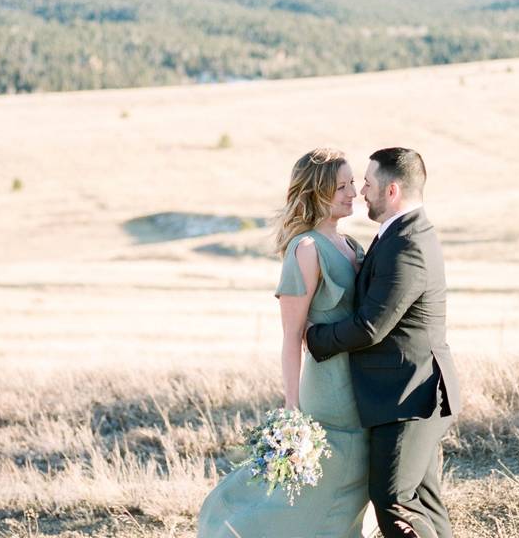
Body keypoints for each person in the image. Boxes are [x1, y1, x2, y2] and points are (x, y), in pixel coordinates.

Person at [197, 148, 372, 537]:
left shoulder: (352, 246)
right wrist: (292, 408)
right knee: (319, 489)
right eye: (340, 186)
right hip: (329, 391)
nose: (353, 192)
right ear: (316, 192)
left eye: (352, 183)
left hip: (361, 385)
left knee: (351, 487)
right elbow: (292, 337)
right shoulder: (306, 249)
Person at [306, 147, 461, 538]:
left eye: (368, 183)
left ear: (391, 191)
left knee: (393, 499)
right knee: (423, 501)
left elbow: (372, 326)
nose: (361, 191)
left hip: (412, 395)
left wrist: (315, 337)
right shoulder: (398, 233)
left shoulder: (407, 243)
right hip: (408, 392)